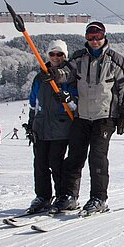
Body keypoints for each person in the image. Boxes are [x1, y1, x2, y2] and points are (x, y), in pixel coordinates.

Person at [47, 22, 124, 214]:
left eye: (98, 37)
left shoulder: (117, 60)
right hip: (82, 115)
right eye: (90, 37)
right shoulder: (79, 57)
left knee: (97, 157)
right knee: (74, 157)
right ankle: (69, 196)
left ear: (104, 37)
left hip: (105, 116)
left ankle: (99, 198)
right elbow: (66, 74)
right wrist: (55, 74)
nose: (94, 41)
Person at [25, 40, 77, 214]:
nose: (55, 57)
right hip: (41, 127)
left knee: (56, 163)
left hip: (60, 127)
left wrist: (69, 99)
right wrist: (31, 123)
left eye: (59, 54)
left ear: (65, 56)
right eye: (52, 54)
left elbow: (76, 103)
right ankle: (43, 196)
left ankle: (63, 196)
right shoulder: (40, 77)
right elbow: (33, 103)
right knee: (40, 163)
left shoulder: (68, 75)